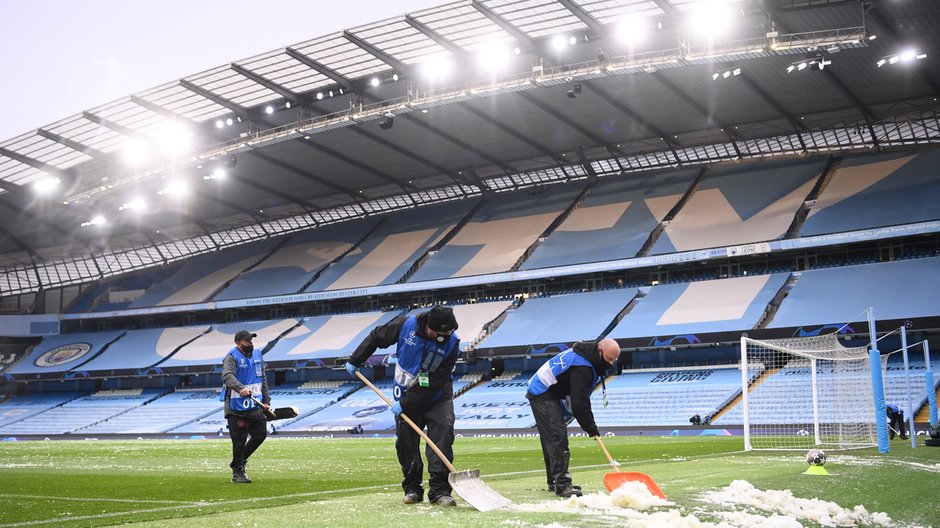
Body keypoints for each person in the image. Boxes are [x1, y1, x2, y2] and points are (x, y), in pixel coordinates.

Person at [345, 306, 460, 507]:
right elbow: (375, 337)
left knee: (442, 437)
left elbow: (435, 382)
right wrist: (356, 359)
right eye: (443, 333)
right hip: (405, 393)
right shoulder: (405, 325)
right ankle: (413, 488)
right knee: (406, 444)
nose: (447, 336)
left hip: (437, 396)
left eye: (450, 332)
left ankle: (440, 491)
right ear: (431, 329)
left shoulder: (452, 344)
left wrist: (404, 404)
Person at [526, 338, 620, 497]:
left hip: (552, 393)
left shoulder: (587, 358)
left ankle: (554, 481)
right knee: (557, 436)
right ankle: (562, 484)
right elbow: (579, 403)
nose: (610, 363)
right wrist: (591, 427)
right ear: (599, 351)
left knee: (552, 437)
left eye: (614, 360)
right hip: (542, 392)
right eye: (609, 359)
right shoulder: (582, 366)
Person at [220, 330, 270, 484]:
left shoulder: (258, 355)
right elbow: (227, 376)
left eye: (251, 341)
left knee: (260, 434)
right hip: (235, 406)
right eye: (247, 342)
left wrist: (267, 400)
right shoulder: (231, 357)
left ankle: (239, 461)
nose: (250, 344)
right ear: (238, 343)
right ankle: (238, 473)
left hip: (254, 405)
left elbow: (263, 379)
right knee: (239, 440)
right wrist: (240, 388)